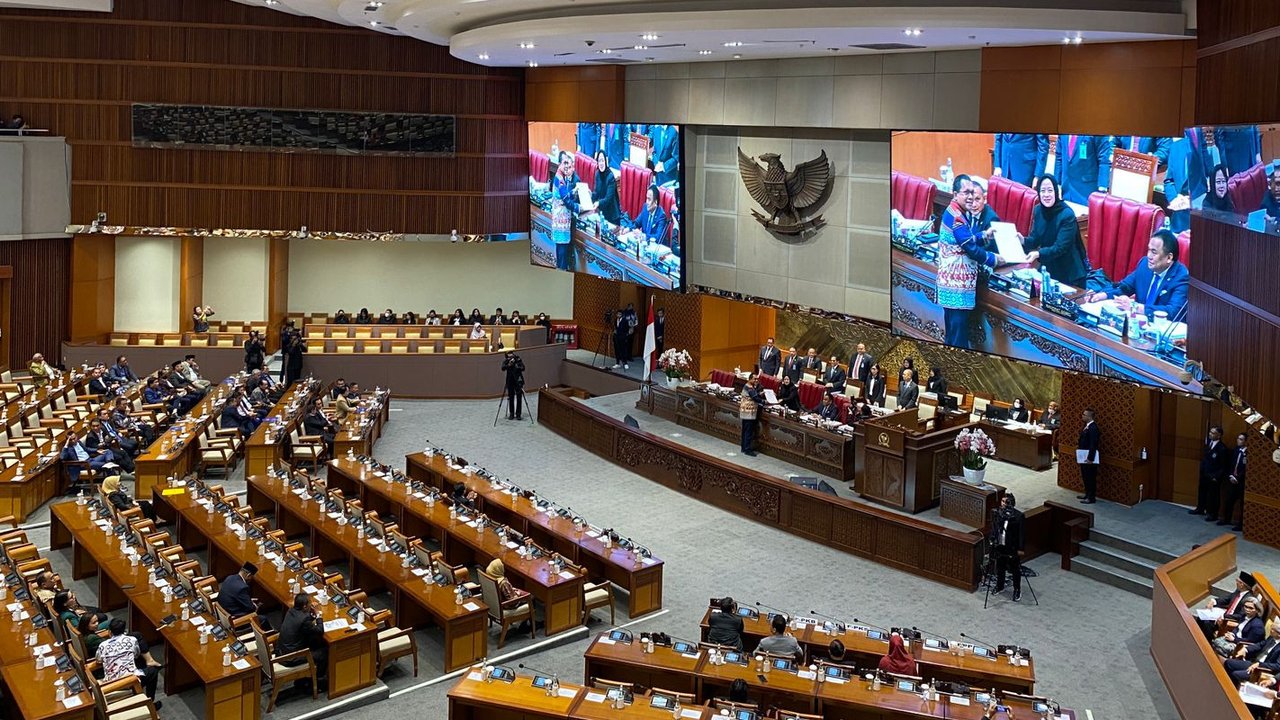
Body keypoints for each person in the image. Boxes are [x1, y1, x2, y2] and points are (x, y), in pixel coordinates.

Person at [937, 175, 1002, 349]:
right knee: (958, 339)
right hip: (956, 288)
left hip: (950, 285)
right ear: (955, 194)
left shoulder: (952, 211)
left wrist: (984, 235)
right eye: (966, 193)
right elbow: (971, 249)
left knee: (951, 335)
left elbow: (966, 240)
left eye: (972, 192)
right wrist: (994, 259)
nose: (970, 197)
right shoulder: (957, 217)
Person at [1086, 230, 1189, 320]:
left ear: (1169, 258)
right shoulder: (1144, 265)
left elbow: (1173, 312)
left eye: (1154, 252)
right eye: (1148, 250)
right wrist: (1101, 295)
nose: (1149, 256)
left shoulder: (1182, 277)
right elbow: (1124, 287)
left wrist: (1135, 307)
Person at [1020, 174, 1089, 289]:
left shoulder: (1067, 215)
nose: (1046, 195)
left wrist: (1038, 254)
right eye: (1043, 191)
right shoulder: (1038, 210)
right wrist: (1023, 240)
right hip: (1049, 269)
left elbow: (1060, 248)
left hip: (1070, 275)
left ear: (1056, 192)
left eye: (1050, 190)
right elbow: (1035, 239)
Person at [97, 618, 161, 705]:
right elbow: (136, 654)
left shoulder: (102, 645)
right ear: (124, 630)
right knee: (153, 671)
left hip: (110, 681)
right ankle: (150, 701)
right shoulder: (132, 639)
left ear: (109, 632)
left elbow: (98, 660)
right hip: (129, 682)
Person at [278, 593, 327, 689]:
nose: (311, 604)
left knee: (315, 642)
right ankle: (317, 682)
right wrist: (318, 615)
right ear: (304, 606)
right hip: (291, 658)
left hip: (282, 652)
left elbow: (304, 624)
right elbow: (320, 630)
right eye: (310, 603)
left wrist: (311, 613)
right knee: (324, 652)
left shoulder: (291, 611)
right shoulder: (304, 619)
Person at [1054, 133, 1113, 205]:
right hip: (1066, 189)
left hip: (1086, 192)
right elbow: (1059, 156)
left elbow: (1104, 161)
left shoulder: (1097, 129)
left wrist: (1102, 190)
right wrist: (1056, 183)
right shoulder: (1063, 129)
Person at [991, 493, 1026, 602]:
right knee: (1000, 566)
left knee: (1015, 569)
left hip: (1012, 547)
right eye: (1002, 501)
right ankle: (1000, 585)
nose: (1003, 504)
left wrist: (1021, 548)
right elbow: (994, 527)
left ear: (1011, 503)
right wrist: (992, 539)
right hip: (1000, 545)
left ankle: (1017, 590)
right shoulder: (998, 513)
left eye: (1006, 502)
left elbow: (1022, 534)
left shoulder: (1018, 516)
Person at [1224, 619, 1280, 686]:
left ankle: (1231, 688)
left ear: (1279, 634)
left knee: (1235, 674)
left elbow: (1277, 666)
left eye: (1273, 630)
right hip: (1253, 662)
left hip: (1261, 670)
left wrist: (1260, 664)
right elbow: (1260, 644)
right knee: (1228, 663)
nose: (1270, 630)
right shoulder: (1271, 637)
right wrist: (1246, 649)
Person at [1202, 572, 1258, 637]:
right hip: (1225, 614)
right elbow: (1227, 599)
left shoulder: (1248, 599)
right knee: (1202, 617)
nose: (1236, 582)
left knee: (1206, 622)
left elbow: (1240, 616)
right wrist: (1213, 601)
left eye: (1237, 581)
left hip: (1231, 620)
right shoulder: (1238, 590)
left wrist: (1224, 616)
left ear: (1242, 585)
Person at [550, 150, 580, 271]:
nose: (566, 166)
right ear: (559, 164)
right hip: (561, 222)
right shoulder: (560, 180)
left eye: (568, 163)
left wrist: (574, 191)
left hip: (559, 220)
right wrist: (579, 208)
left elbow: (565, 195)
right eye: (564, 163)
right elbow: (566, 200)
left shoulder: (559, 176)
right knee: (562, 252)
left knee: (560, 250)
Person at [217, 562, 271, 629]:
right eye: (251, 577)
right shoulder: (242, 587)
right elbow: (251, 608)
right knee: (263, 619)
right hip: (234, 618)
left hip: (223, 611)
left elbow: (234, 596)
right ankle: (270, 634)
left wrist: (247, 600)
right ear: (248, 575)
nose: (251, 579)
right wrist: (254, 605)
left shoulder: (230, 577)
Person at [1193, 426, 1229, 519]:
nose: (1210, 434)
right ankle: (1200, 508)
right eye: (1210, 432)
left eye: (1213, 433)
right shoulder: (1208, 443)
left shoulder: (1222, 448)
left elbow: (1223, 465)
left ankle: (1212, 514)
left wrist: (1216, 476)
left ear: (1219, 435)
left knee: (1213, 495)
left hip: (1214, 476)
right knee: (1202, 491)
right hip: (1204, 473)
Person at [1219, 432, 1248, 531]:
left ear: (1246, 441)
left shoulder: (1248, 453)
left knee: (1242, 504)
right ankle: (1226, 519)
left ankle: (1240, 524)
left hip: (1241, 482)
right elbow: (1231, 464)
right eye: (1238, 438)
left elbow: (1246, 469)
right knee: (1229, 500)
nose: (1238, 441)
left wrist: (1237, 478)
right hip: (1232, 479)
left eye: (1241, 439)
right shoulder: (1236, 450)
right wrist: (1231, 475)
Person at [588, 149, 622, 226]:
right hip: (602, 213)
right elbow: (596, 192)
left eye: (602, 161)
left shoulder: (610, 177)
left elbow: (608, 199)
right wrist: (590, 195)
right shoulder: (597, 174)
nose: (601, 163)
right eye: (599, 161)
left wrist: (598, 203)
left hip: (612, 216)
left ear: (606, 162)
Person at [1078, 408, 1101, 503]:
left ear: (1089, 416)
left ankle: (1091, 497)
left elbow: (1093, 444)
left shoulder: (1093, 428)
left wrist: (1090, 458)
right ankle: (1087, 494)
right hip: (1083, 455)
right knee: (1085, 476)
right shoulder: (1086, 426)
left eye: (1084, 415)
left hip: (1089, 457)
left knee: (1090, 477)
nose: (1082, 416)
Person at [739, 375, 762, 457]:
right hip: (749, 413)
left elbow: (753, 395)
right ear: (749, 379)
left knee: (744, 431)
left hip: (745, 412)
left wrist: (759, 393)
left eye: (757, 379)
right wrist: (765, 402)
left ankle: (743, 447)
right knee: (748, 431)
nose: (756, 380)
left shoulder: (747, 386)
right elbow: (756, 398)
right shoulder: (750, 388)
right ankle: (747, 449)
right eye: (754, 379)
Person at [502, 351, 525, 420]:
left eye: (511, 355)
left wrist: (517, 366)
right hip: (510, 381)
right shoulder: (507, 361)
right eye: (509, 356)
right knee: (511, 397)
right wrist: (509, 365)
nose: (510, 357)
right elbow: (503, 368)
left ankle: (518, 414)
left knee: (519, 398)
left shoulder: (518, 359)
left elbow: (523, 368)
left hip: (518, 381)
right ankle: (511, 413)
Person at [611, 306, 636, 370]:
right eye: (617, 314)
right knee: (617, 350)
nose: (618, 315)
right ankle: (617, 363)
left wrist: (625, 335)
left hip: (623, 337)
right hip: (617, 337)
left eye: (620, 314)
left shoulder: (625, 320)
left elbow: (628, 329)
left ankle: (625, 363)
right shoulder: (615, 320)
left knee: (623, 350)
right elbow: (615, 327)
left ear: (622, 315)